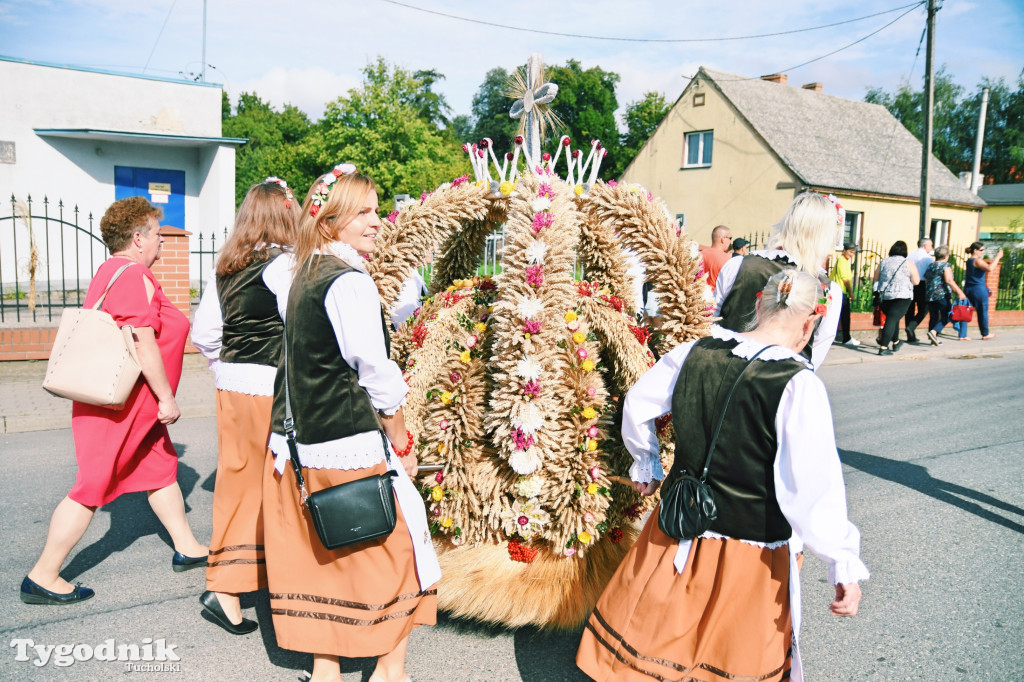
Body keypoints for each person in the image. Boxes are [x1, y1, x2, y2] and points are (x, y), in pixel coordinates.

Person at [576, 269, 868, 682]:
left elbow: (638, 404)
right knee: (727, 656)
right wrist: (842, 564)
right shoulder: (799, 385)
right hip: (753, 549)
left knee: (658, 641)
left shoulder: (695, 351)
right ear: (809, 323)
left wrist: (647, 461)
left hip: (677, 525)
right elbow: (812, 489)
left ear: (756, 305)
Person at [263, 164, 440, 682]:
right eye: (363, 211)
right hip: (348, 438)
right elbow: (377, 373)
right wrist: (402, 438)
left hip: (303, 439)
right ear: (330, 218)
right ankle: (390, 672)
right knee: (399, 551)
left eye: (376, 209)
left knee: (330, 556)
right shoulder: (347, 281)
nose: (376, 220)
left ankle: (326, 671)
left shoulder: (301, 272)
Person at [21, 197, 207, 605]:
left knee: (159, 468)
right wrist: (166, 399)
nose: (163, 242)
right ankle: (43, 575)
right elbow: (142, 342)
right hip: (123, 406)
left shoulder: (112, 271)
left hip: (130, 406)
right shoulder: (133, 275)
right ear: (138, 238)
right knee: (92, 486)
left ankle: (187, 546)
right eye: (158, 234)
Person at [190, 178, 299, 634]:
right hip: (272, 386)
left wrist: (225, 366)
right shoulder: (286, 265)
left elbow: (205, 333)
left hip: (233, 386)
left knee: (237, 485)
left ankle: (227, 586)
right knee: (281, 486)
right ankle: (285, 585)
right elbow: (304, 327)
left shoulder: (226, 266)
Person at [715, 191, 843, 370]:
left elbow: (713, 320)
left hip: (723, 371)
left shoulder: (738, 266)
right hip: (780, 384)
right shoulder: (829, 291)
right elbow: (816, 352)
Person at [873, 241, 920, 355]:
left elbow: (876, 277)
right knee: (892, 319)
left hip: (885, 296)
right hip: (902, 296)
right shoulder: (908, 263)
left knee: (893, 318)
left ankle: (896, 342)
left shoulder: (883, 262)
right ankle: (883, 347)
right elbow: (916, 281)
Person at [923, 245, 965, 345]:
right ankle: (933, 332)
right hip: (942, 294)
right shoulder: (946, 265)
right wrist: (960, 292)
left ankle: (933, 339)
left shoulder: (931, 265)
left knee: (933, 316)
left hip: (930, 294)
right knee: (947, 315)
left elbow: (926, 279)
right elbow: (949, 280)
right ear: (946, 255)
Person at [963, 241, 1003, 341]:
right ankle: (985, 333)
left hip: (968, 289)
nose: (982, 252)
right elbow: (989, 268)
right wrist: (998, 257)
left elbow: (980, 264)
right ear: (975, 250)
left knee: (966, 310)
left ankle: (962, 334)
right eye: (981, 250)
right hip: (978, 289)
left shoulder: (969, 260)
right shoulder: (977, 260)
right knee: (983, 311)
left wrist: (986, 260)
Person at [904, 238, 934, 343]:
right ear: (925, 246)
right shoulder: (929, 258)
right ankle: (911, 326)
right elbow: (929, 275)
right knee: (924, 308)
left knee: (910, 309)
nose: (931, 247)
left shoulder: (910, 256)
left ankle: (910, 336)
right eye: (931, 245)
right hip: (921, 284)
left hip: (909, 283)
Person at [829, 242, 859, 346]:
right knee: (844, 316)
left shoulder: (845, 261)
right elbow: (845, 279)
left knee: (841, 316)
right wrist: (851, 293)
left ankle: (844, 337)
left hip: (840, 291)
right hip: (840, 292)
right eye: (850, 251)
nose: (851, 254)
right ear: (844, 250)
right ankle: (846, 338)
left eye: (853, 253)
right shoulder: (842, 261)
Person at [700, 224, 732, 289]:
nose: (731, 241)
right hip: (717, 297)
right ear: (723, 239)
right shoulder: (727, 259)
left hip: (699, 296)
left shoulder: (699, 255)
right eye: (730, 238)